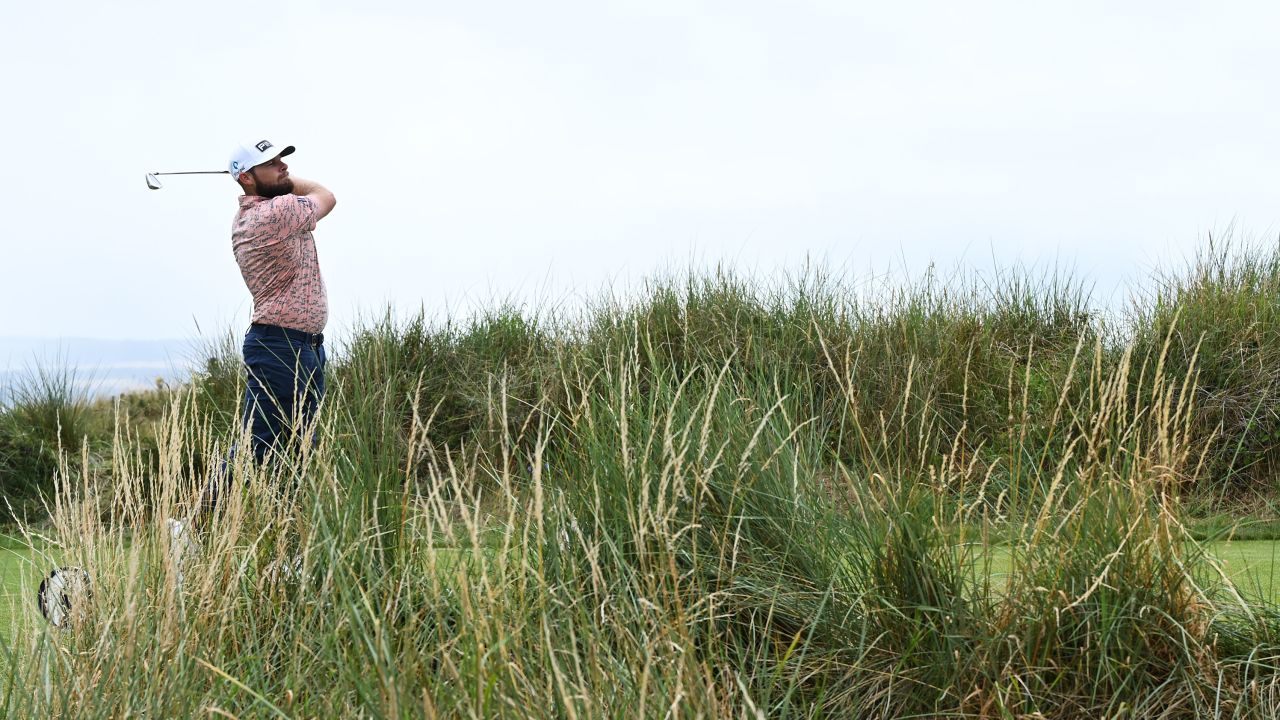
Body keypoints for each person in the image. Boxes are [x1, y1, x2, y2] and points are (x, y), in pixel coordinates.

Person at [199, 138, 337, 518]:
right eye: (271, 163)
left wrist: (268, 179)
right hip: (281, 348)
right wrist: (284, 183)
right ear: (246, 177)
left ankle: (280, 534)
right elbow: (326, 195)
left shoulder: (263, 211)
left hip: (300, 347)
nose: (283, 167)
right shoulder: (273, 214)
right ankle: (194, 530)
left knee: (296, 447)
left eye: (281, 160)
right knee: (257, 446)